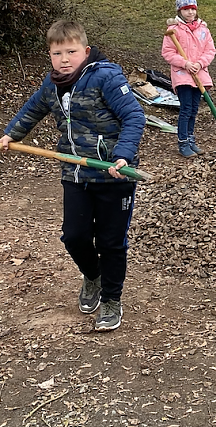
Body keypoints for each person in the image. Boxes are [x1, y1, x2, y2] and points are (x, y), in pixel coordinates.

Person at [1, 20, 146, 332]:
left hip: (113, 175)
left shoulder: (105, 77)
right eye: (57, 53)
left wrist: (122, 154)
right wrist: (9, 135)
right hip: (75, 172)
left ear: (86, 51)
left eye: (71, 51)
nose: (64, 58)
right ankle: (92, 276)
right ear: (50, 55)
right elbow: (31, 110)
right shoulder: (51, 84)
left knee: (111, 242)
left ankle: (111, 298)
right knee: (75, 235)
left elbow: (133, 115)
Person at [162, 0, 216, 157]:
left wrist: (200, 63)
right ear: (180, 10)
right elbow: (168, 52)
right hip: (183, 75)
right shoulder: (174, 31)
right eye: (186, 9)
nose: (190, 12)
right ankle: (183, 142)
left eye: (193, 8)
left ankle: (191, 139)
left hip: (199, 74)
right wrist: (185, 64)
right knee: (185, 109)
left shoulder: (203, 30)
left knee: (194, 109)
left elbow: (210, 50)